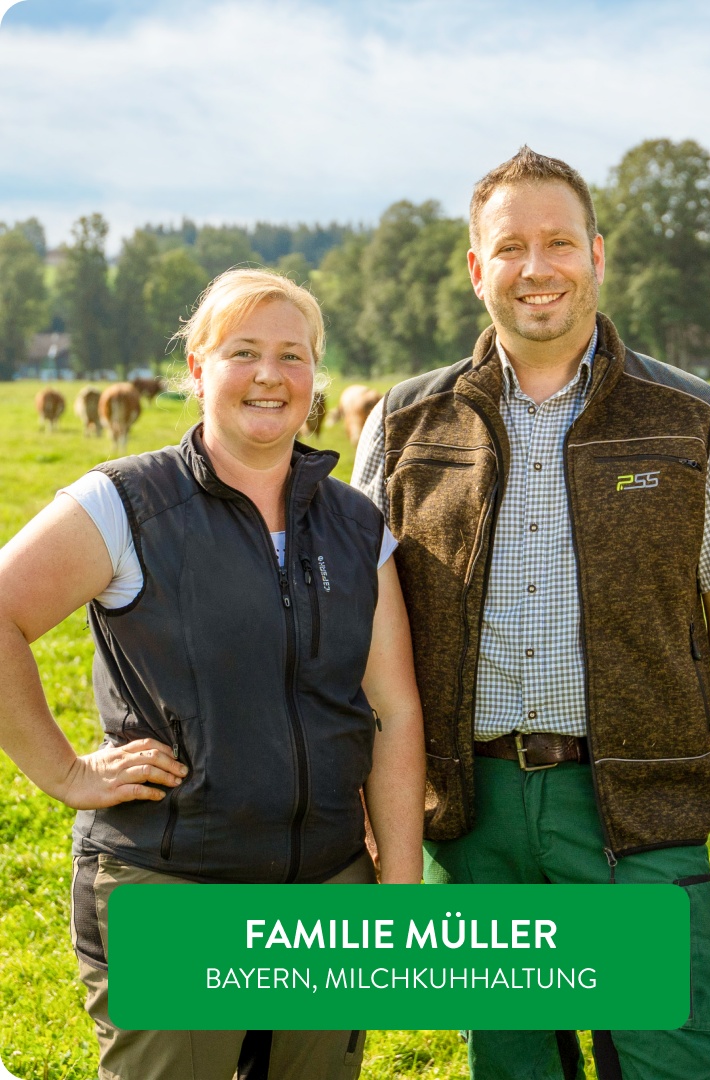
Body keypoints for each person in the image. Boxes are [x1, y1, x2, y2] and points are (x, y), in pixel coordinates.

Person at [351, 147, 710, 1080]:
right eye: (510, 247)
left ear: (596, 254)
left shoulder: (692, 417)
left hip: (638, 805)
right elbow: (356, 633)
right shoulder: (402, 424)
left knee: (679, 1056)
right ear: (477, 269)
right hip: (475, 815)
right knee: (517, 1065)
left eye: (558, 242)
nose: (536, 267)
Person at [0, 268, 425, 1080]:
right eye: (244, 352)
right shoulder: (124, 504)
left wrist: (398, 887)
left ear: (316, 378)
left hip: (328, 893)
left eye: (293, 356)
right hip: (174, 886)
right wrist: (62, 772)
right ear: (197, 369)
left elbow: (395, 711)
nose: (270, 375)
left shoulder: (354, 523)